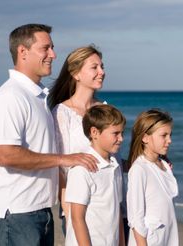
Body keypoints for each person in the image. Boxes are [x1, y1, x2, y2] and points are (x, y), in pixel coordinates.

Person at [0, 24, 97, 246]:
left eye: (52, 48)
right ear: (23, 52)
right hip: (14, 212)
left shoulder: (35, 97)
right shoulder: (10, 96)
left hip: (36, 210)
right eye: (46, 48)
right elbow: (6, 155)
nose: (53, 55)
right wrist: (64, 159)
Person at [48, 45, 106, 234]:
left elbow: (111, 160)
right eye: (94, 67)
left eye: (102, 67)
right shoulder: (62, 113)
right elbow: (60, 168)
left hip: (109, 205)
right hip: (79, 208)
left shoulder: (106, 110)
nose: (102, 72)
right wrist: (68, 212)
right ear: (76, 73)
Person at [64, 104, 126, 246]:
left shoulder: (115, 166)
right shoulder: (82, 169)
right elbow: (77, 217)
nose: (121, 138)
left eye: (122, 133)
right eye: (115, 133)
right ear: (94, 132)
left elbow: (117, 213)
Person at [126, 109, 179, 246]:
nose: (169, 141)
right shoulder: (139, 169)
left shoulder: (165, 165)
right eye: (164, 135)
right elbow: (135, 217)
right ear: (145, 138)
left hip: (167, 238)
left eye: (170, 135)